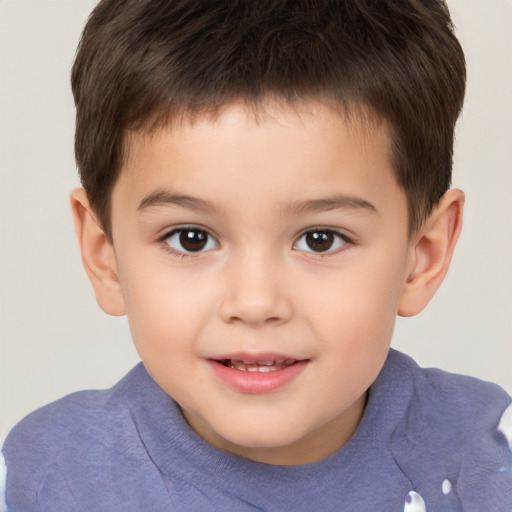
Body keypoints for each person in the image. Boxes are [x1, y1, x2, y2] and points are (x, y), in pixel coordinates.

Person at [1, 0, 511, 510]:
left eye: (320, 239)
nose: (254, 302)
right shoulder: (46, 479)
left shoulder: (487, 462)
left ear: (421, 255)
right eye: (191, 238)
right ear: (104, 253)